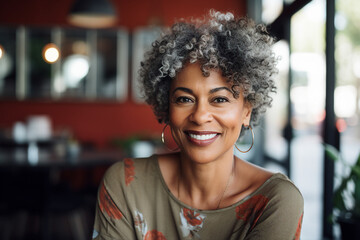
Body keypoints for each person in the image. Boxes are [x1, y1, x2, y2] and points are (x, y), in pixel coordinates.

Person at [93, 10, 304, 240]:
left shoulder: (275, 200)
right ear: (167, 106)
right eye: (185, 99)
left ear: (246, 110)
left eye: (220, 99)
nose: (200, 116)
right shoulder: (126, 184)